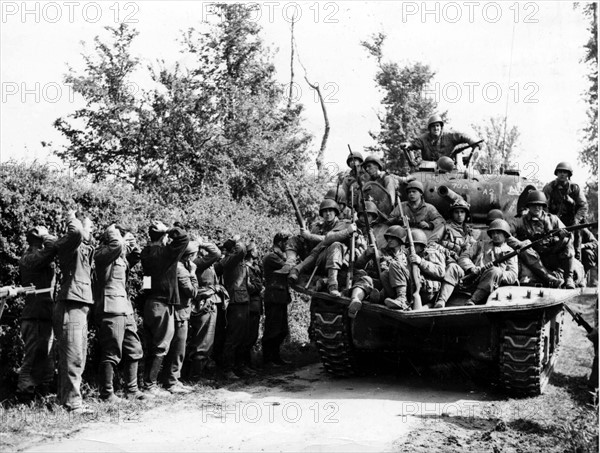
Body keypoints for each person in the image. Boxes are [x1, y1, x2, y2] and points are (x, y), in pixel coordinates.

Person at [94, 224, 145, 402]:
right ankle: (107, 393)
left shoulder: (120, 257)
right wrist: (113, 230)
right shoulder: (102, 254)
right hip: (111, 308)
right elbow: (116, 246)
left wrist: (132, 240)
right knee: (111, 351)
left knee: (134, 348)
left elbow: (137, 254)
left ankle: (132, 389)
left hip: (124, 308)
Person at [140, 221, 189, 396]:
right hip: (162, 304)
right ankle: (150, 386)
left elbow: (146, 279)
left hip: (151, 302)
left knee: (154, 344)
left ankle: (149, 383)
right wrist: (168, 229)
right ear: (164, 237)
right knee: (161, 345)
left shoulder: (146, 253)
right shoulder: (165, 253)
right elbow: (183, 238)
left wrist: (148, 294)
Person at [53, 210, 95, 412]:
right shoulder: (71, 243)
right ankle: (72, 403)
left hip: (80, 304)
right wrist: (73, 218)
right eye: (89, 226)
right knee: (73, 354)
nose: (91, 229)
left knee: (78, 354)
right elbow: (77, 232)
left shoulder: (85, 248)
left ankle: (67, 400)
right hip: (71, 303)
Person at [17, 226, 57, 400]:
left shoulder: (37, 257)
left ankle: (43, 393)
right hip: (34, 315)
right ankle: (24, 394)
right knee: (32, 358)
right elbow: (53, 248)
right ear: (38, 242)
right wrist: (47, 235)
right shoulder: (30, 258)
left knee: (46, 357)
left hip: (44, 314)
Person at [288, 200, 356, 296]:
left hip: (339, 264)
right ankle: (291, 266)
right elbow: (313, 246)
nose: (327, 214)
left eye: (330, 211)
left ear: (335, 212)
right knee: (299, 241)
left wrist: (310, 236)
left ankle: (332, 286)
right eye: (325, 211)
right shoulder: (317, 227)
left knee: (335, 245)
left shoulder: (344, 224)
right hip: (318, 260)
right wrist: (306, 236)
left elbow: (329, 238)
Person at [511, 190, 576, 289]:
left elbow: (568, 234)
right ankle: (549, 279)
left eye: (540, 205)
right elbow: (506, 234)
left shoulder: (553, 219)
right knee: (523, 247)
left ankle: (569, 278)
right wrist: (520, 243)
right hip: (533, 257)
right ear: (528, 206)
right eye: (533, 205)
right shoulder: (520, 221)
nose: (537, 207)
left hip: (552, 255)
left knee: (568, 242)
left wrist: (563, 237)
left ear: (543, 206)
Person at [162, 241, 199, 394]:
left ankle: (172, 378)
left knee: (175, 347)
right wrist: (193, 274)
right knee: (178, 348)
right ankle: (172, 380)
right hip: (180, 313)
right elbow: (192, 292)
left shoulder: (173, 265)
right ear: (189, 256)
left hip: (175, 311)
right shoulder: (182, 270)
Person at [348, 225, 409, 316]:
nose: (389, 240)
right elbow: (358, 265)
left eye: (393, 238)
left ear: (401, 240)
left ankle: (378, 297)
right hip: (382, 283)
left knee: (382, 290)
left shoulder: (406, 257)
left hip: (398, 289)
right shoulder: (380, 252)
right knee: (366, 279)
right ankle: (355, 301)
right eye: (388, 238)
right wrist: (367, 254)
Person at [215, 235, 252, 379]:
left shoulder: (236, 260)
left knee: (243, 337)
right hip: (235, 302)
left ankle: (239, 366)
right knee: (233, 337)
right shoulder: (229, 260)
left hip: (243, 300)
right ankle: (227, 368)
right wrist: (235, 240)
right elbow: (241, 249)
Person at [458, 219, 518, 305]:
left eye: (498, 232)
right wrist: (472, 268)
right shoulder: (480, 245)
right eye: (493, 233)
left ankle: (473, 300)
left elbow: (513, 275)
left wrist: (498, 273)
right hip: (477, 280)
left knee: (495, 271)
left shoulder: (510, 252)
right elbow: (463, 257)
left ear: (505, 234)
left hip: (499, 287)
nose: (495, 235)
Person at [188, 238, 224, 381]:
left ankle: (196, 374)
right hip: (204, 305)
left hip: (208, 303)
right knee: (203, 342)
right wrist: (201, 242)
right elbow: (216, 253)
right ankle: (195, 376)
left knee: (204, 341)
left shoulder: (201, 263)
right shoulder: (198, 263)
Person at [401, 114, 483, 169]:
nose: (436, 128)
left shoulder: (449, 135)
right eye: (433, 126)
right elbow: (413, 144)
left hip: (448, 168)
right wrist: (407, 144)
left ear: (441, 127)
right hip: (428, 169)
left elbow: (463, 136)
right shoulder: (424, 138)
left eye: (437, 126)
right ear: (429, 129)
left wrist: (473, 142)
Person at [408, 229, 462, 309]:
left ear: (421, 246)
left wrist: (421, 262)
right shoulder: (413, 254)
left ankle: (437, 302)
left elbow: (441, 272)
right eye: (408, 246)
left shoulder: (432, 252)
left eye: (413, 246)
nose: (410, 249)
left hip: (441, 285)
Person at [543, 161, 588, 253]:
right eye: (560, 172)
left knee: (576, 243)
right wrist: (550, 221)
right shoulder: (549, 187)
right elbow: (544, 205)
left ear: (568, 174)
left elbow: (583, 206)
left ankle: (577, 259)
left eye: (565, 172)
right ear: (557, 173)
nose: (562, 174)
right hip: (554, 221)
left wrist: (576, 220)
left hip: (572, 221)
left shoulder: (574, 188)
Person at [262, 232, 293, 366]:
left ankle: (275, 357)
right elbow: (288, 267)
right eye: (286, 242)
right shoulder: (271, 257)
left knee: (281, 330)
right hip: (273, 298)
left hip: (280, 298)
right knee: (272, 330)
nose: (288, 245)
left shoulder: (278, 256)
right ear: (280, 242)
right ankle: (267, 359)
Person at [241, 241, 263, 371]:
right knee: (248, 337)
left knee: (253, 336)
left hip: (256, 305)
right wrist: (258, 287)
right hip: (250, 306)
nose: (257, 251)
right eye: (255, 249)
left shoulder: (254, 266)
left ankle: (248, 364)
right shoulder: (246, 268)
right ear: (250, 252)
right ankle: (244, 365)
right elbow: (250, 287)